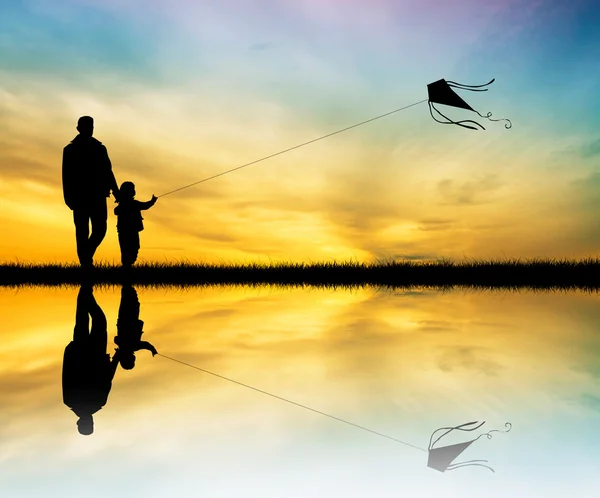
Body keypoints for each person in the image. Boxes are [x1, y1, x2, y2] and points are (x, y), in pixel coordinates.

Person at [62, 285, 121, 435]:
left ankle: (86, 284)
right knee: (83, 316)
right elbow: (67, 373)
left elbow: (107, 377)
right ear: (79, 423)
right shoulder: (69, 401)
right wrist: (69, 351)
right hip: (80, 350)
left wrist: (116, 358)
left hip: (93, 351)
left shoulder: (99, 402)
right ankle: (86, 286)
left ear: (90, 422)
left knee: (97, 319)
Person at [62, 116, 120, 268]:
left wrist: (116, 191)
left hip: (98, 195)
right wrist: (68, 198)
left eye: (91, 126)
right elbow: (66, 175)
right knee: (82, 232)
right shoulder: (69, 150)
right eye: (87, 126)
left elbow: (108, 171)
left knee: (100, 229)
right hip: (79, 197)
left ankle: (86, 256)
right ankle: (86, 264)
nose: (90, 129)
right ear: (79, 128)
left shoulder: (100, 148)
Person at [114, 181, 157, 267]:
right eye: (132, 189)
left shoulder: (124, 204)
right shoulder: (133, 204)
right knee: (132, 247)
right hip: (131, 231)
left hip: (123, 231)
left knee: (127, 248)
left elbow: (116, 211)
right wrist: (152, 201)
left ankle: (127, 265)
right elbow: (145, 206)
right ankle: (127, 265)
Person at [115, 284, 158, 370]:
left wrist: (152, 349)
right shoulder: (123, 345)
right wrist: (152, 349)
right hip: (123, 319)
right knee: (127, 298)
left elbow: (145, 344)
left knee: (132, 300)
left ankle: (128, 283)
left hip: (130, 318)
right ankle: (127, 284)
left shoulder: (133, 346)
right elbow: (116, 339)